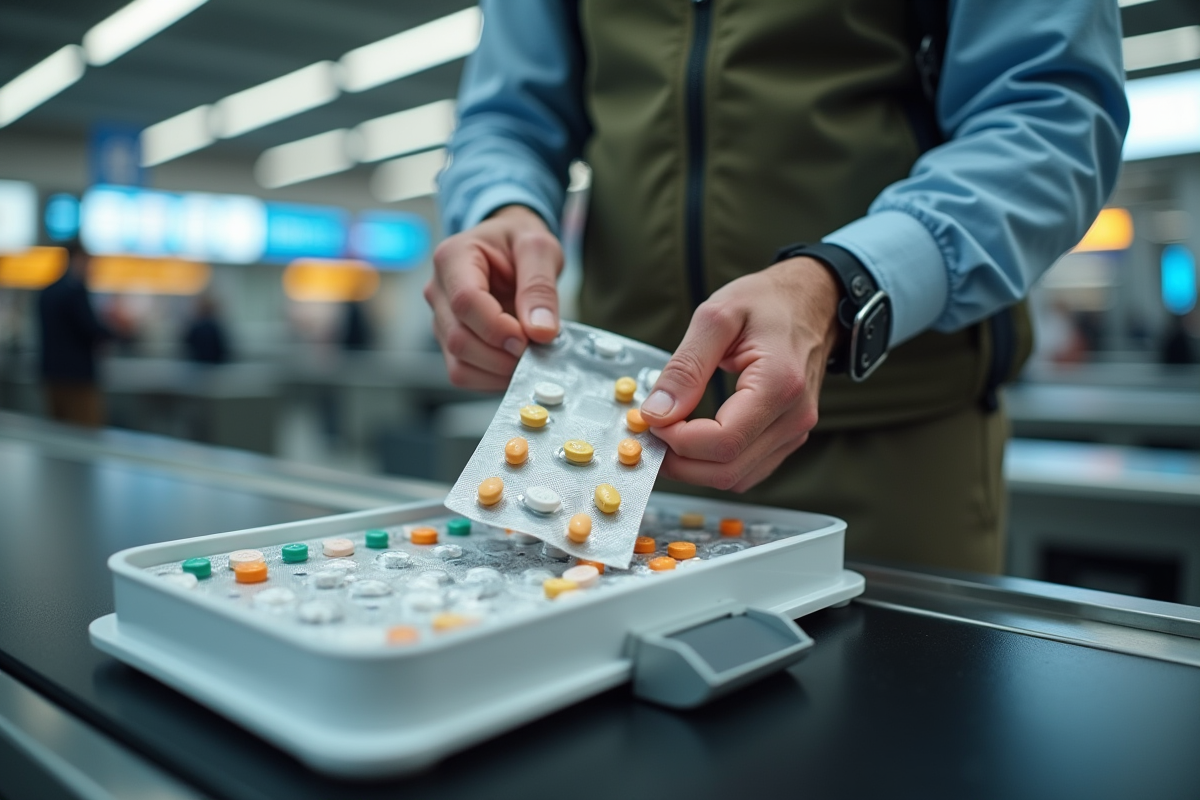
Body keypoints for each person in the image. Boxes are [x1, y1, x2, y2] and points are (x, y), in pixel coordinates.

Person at [429, 0, 1128, 572]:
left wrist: (845, 281)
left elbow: (1050, 114)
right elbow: (507, 117)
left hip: (892, 447)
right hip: (622, 441)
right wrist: (501, 207)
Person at [37, 240, 112, 426]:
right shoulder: (75, 291)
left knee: (59, 431)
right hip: (77, 376)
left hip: (51, 374)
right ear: (78, 259)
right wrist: (117, 332)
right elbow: (90, 328)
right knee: (85, 432)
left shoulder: (47, 292)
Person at [183, 294, 231, 365]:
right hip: (210, 363)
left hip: (199, 363)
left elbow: (188, 342)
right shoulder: (215, 326)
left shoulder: (196, 326)